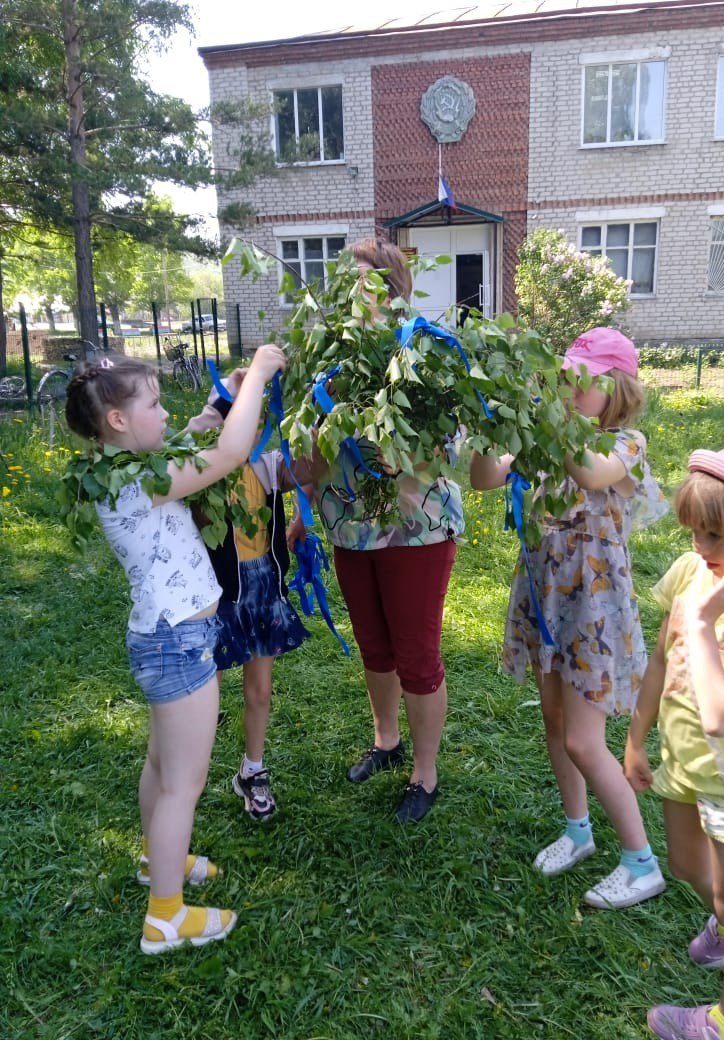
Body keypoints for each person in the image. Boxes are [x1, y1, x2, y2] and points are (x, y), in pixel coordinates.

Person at [64, 345, 287, 953]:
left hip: (164, 637)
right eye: (154, 404)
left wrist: (226, 396)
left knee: (162, 768)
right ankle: (165, 916)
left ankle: (157, 862)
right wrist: (259, 379)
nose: (166, 414)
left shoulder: (125, 468)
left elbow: (193, 437)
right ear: (117, 421)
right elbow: (231, 453)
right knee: (182, 784)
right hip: (178, 642)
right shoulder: (142, 478)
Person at [470, 326, 667, 907]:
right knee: (554, 722)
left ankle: (641, 862)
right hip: (545, 597)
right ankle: (578, 830)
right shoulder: (544, 438)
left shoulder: (625, 444)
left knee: (584, 741)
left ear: (617, 388)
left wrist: (542, 422)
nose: (566, 388)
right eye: (563, 377)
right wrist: (497, 419)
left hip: (593, 611)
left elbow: (587, 470)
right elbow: (484, 476)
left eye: (580, 380)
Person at [289, 238, 464, 823]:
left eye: (358, 282)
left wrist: (390, 433)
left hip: (415, 531)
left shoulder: (427, 353)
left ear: (390, 290)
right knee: (375, 646)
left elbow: (450, 449)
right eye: (342, 284)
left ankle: (425, 772)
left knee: (416, 654)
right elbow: (308, 461)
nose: (347, 293)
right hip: (349, 530)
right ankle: (387, 742)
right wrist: (303, 504)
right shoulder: (329, 361)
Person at [625, 434, 724, 1040]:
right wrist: (637, 738)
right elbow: (661, 660)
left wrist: (703, 619)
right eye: (694, 531)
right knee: (686, 863)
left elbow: (722, 715)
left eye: (716, 535)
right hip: (683, 764)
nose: (699, 546)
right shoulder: (694, 571)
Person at [187, 393, 310, 823]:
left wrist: (339, 425)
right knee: (203, 695)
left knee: (259, 691)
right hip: (218, 597)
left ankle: (252, 771)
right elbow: (186, 444)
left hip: (262, 588)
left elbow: (319, 466)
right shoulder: (199, 471)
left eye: (258, 421)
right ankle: (188, 777)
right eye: (242, 421)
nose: (252, 431)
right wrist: (217, 407)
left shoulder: (269, 466)